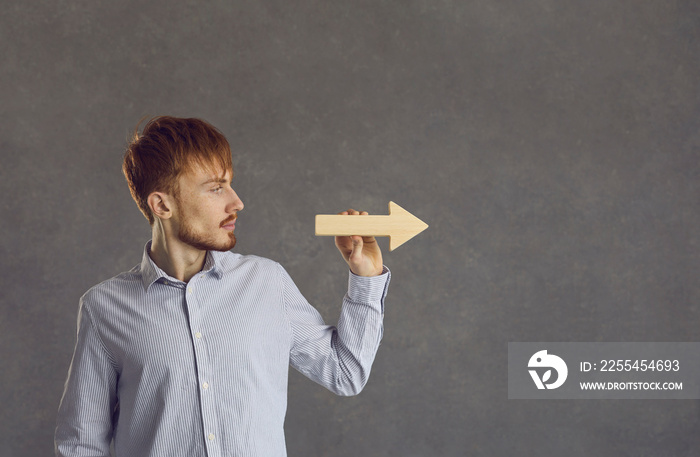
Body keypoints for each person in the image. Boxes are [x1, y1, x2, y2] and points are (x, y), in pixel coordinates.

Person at [55, 116, 390, 457]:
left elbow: (346, 372)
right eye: (216, 188)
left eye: (229, 184)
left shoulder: (267, 282)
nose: (236, 202)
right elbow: (82, 444)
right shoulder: (104, 307)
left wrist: (366, 276)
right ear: (162, 205)